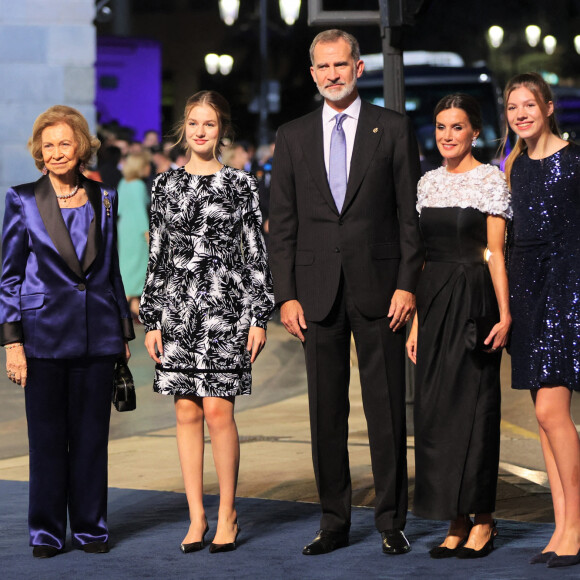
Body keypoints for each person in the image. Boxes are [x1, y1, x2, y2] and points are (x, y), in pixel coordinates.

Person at [268, 29, 423, 556]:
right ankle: (333, 521)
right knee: (325, 413)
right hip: (314, 294)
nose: (332, 74)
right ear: (312, 74)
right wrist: (285, 294)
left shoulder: (395, 129)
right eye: (322, 67)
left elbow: (409, 218)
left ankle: (391, 521)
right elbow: (282, 224)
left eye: (341, 64)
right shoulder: (291, 136)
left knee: (385, 411)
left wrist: (407, 283)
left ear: (359, 67)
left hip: (381, 290)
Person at [140, 91, 274, 554]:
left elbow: (255, 253)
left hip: (225, 308)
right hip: (177, 308)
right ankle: (196, 515)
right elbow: (157, 255)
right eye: (194, 122)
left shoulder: (241, 184)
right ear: (183, 127)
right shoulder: (164, 185)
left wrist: (259, 316)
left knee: (219, 409)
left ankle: (228, 512)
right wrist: (152, 317)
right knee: (185, 410)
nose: (200, 131)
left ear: (222, 131)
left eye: (210, 124)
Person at [0, 105, 134, 558]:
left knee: (93, 438)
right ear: (40, 152)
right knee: (47, 440)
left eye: (65, 144)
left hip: (98, 334)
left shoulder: (105, 198)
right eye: (48, 145)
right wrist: (12, 343)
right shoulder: (20, 199)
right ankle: (47, 532)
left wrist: (122, 335)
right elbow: (8, 278)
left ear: (81, 149)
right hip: (41, 336)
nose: (56, 152)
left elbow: (111, 269)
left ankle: (92, 528)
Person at [406, 94, 511, 559]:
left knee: (476, 410)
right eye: (441, 127)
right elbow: (422, 258)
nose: (448, 135)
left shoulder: (490, 179)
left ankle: (483, 520)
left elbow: (496, 254)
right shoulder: (427, 183)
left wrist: (506, 315)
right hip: (433, 301)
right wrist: (413, 324)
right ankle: (454, 518)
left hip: (475, 299)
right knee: (433, 414)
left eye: (458, 127)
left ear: (474, 132)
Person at [502, 72, 580, 568]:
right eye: (513, 108)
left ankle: (576, 527)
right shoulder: (514, 165)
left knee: (555, 413)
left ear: (549, 107)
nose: (521, 114)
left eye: (529, 104)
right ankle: (560, 526)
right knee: (544, 418)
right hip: (526, 289)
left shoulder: (574, 161)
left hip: (566, 287)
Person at [117, 152, 151, 319]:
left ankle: (135, 309)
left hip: (124, 229)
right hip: (137, 231)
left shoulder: (123, 182)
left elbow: (119, 208)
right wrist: (148, 236)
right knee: (137, 268)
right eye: (146, 165)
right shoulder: (138, 185)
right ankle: (122, 307)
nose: (149, 168)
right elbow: (140, 213)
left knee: (127, 266)